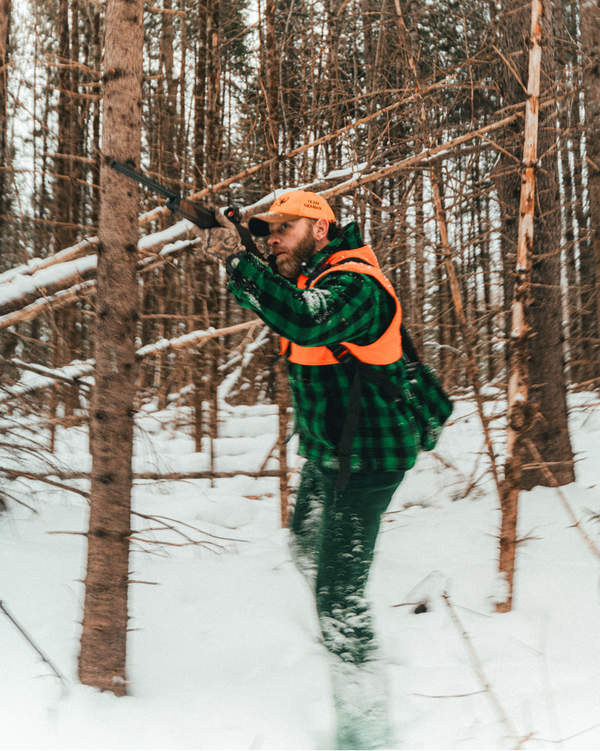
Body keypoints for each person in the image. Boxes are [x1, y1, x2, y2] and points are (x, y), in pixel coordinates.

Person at [198, 190, 423, 750]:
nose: (272, 238)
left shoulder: (357, 285)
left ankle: (365, 735)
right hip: (328, 452)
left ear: (320, 230)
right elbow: (273, 298)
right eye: (266, 231)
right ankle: (334, 615)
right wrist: (232, 246)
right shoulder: (310, 278)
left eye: (284, 228)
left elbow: (304, 318)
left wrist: (237, 259)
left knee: (339, 602)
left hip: (368, 459)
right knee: (303, 544)